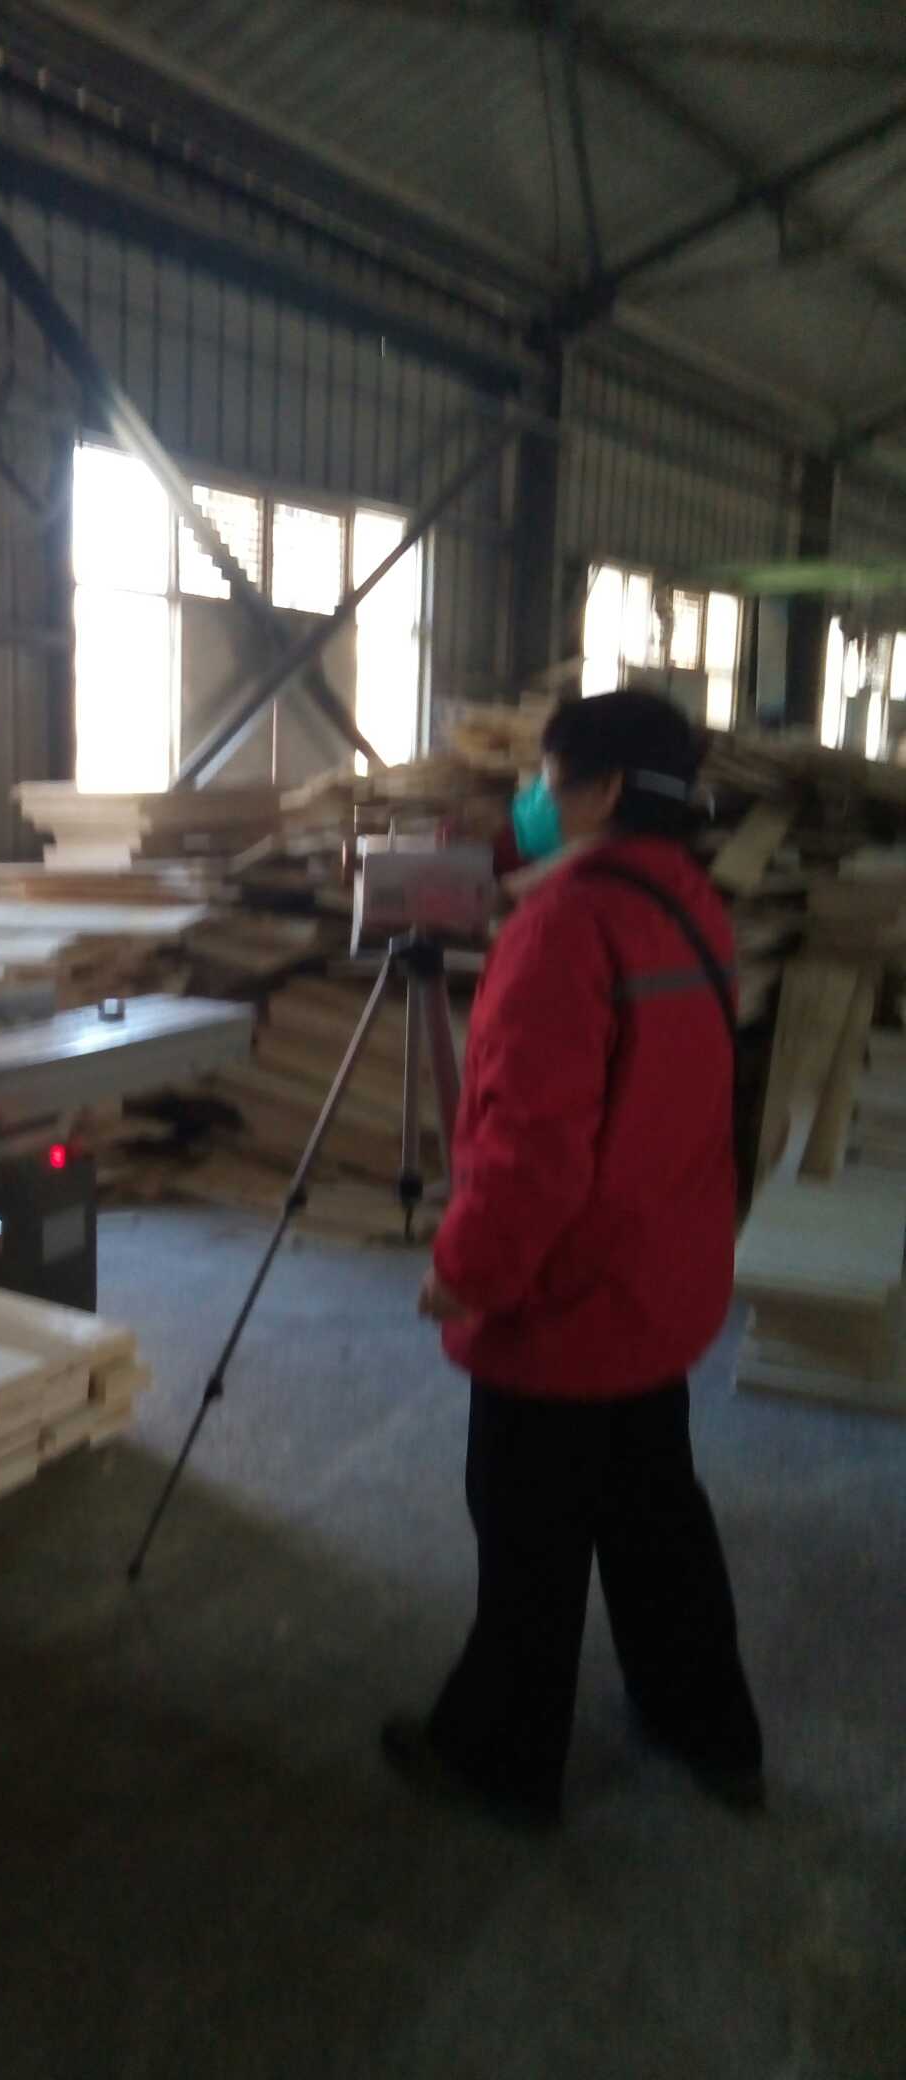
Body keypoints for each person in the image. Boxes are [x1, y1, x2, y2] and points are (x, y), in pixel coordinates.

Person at [384, 689, 763, 1827]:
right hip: (658, 1281)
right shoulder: (691, 903)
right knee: (657, 1519)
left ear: (600, 792)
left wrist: (465, 1270)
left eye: (546, 782)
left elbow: (528, 1154)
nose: (533, 802)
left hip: (563, 1305)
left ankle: (498, 1760)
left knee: (528, 1540)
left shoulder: (562, 931)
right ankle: (709, 1727)